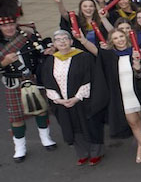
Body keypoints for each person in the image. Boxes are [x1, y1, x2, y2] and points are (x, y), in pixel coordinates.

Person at [0, 0, 58, 162]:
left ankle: (46, 139)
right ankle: (20, 147)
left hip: (31, 78)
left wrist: (49, 50)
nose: (10, 28)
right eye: (6, 26)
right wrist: (3, 63)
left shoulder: (27, 36)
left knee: (41, 110)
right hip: (13, 83)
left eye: (11, 24)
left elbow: (40, 50)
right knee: (16, 117)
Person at [81, 28, 141, 165]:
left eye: (121, 36)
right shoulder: (110, 56)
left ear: (126, 37)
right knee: (134, 123)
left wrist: (138, 65)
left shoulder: (137, 52)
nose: (119, 40)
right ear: (111, 41)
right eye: (115, 38)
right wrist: (83, 40)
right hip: (123, 96)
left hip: (138, 93)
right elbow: (95, 51)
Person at [40, 30, 104, 166]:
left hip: (82, 99)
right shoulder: (50, 60)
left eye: (65, 39)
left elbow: (89, 78)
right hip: (62, 102)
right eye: (58, 40)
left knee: (89, 125)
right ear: (55, 44)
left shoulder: (84, 57)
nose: (62, 41)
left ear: (71, 41)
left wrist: (77, 97)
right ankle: (82, 153)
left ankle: (96, 152)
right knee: (71, 126)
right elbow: (48, 81)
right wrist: (58, 100)